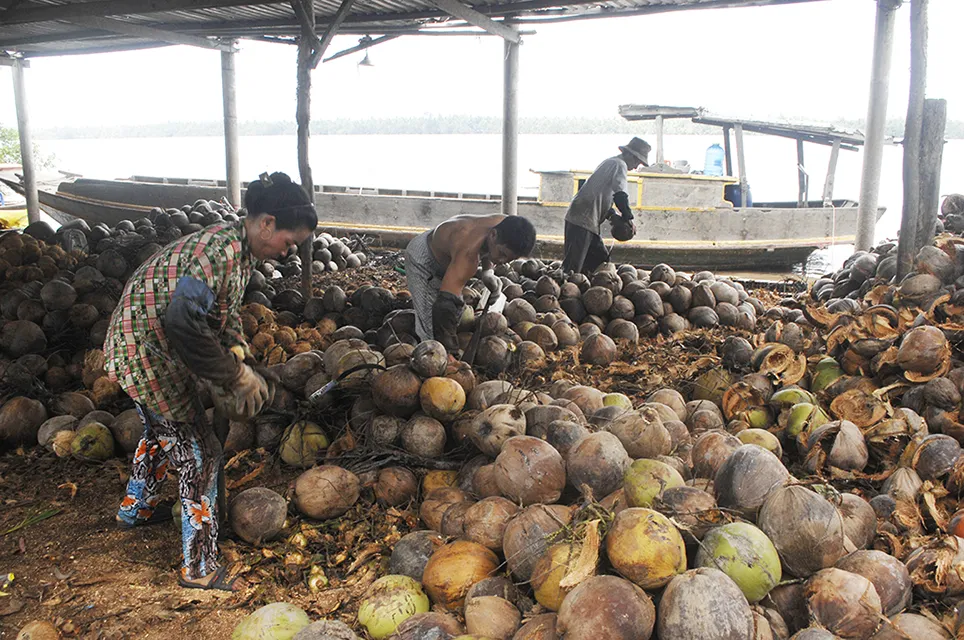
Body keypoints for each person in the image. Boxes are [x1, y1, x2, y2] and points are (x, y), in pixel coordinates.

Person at [104, 172, 317, 592]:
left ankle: (134, 510)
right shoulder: (216, 252)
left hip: (151, 348)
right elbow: (183, 321)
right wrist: (231, 375)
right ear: (267, 223)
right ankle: (199, 568)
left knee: (160, 431)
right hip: (145, 352)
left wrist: (241, 354)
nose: (288, 252)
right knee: (200, 451)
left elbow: (225, 313)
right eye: (289, 242)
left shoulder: (238, 254)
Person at [405, 213, 536, 351]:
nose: (502, 261)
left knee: (455, 310)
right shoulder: (468, 255)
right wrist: (450, 351)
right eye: (502, 254)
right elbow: (445, 305)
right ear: (493, 235)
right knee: (430, 331)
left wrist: (488, 272)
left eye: (509, 259)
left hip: (446, 246)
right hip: (423, 258)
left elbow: (488, 246)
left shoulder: (505, 224)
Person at [562, 137, 651, 275]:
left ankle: (591, 288)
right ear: (628, 154)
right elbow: (620, 195)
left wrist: (612, 215)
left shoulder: (609, 162)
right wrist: (628, 218)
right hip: (582, 219)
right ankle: (565, 290)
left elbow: (599, 194)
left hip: (586, 218)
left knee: (601, 260)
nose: (635, 167)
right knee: (573, 266)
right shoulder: (619, 165)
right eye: (636, 161)